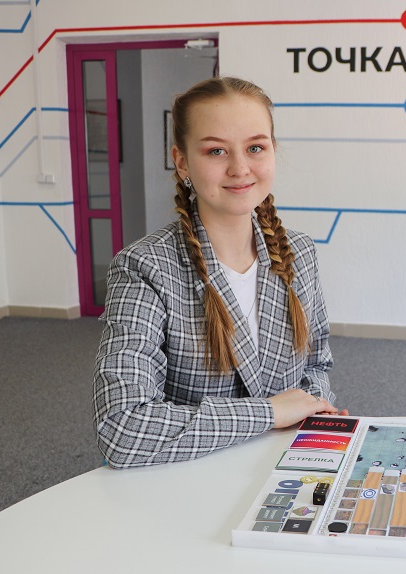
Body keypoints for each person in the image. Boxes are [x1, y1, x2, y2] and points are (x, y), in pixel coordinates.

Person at [93, 76, 346, 468]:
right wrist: (270, 413)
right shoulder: (144, 267)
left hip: (284, 467)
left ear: (272, 150)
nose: (240, 168)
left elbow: (316, 364)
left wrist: (315, 409)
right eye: (216, 151)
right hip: (190, 476)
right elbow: (122, 428)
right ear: (182, 161)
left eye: (255, 147)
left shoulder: (300, 252)